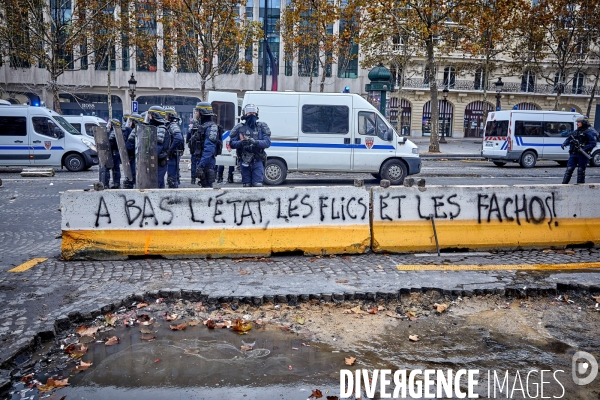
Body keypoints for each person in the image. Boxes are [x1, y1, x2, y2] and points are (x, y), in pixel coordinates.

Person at [229, 104, 271, 187]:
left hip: (257, 159)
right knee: (246, 185)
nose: (251, 115)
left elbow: (267, 142)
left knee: (258, 184)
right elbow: (232, 144)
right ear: (245, 114)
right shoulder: (239, 127)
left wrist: (256, 142)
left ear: (256, 114)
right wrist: (240, 143)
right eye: (249, 113)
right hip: (244, 160)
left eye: (253, 113)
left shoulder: (262, 127)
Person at [188, 102, 220, 187]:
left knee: (207, 187)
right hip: (203, 161)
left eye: (197, 111)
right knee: (204, 186)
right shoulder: (202, 126)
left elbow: (209, 149)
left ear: (202, 112)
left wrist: (201, 165)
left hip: (207, 162)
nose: (196, 113)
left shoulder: (211, 127)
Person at [561, 116, 597, 184]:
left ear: (583, 122)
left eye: (579, 122)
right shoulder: (576, 131)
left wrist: (583, 149)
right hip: (574, 153)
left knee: (581, 170)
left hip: (583, 154)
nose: (577, 123)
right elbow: (569, 138)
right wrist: (564, 143)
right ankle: (564, 184)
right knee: (569, 169)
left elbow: (593, 143)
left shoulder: (589, 132)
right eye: (577, 122)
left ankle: (580, 186)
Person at [145, 106, 170, 188]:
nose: (149, 117)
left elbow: (157, 148)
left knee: (156, 184)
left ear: (155, 116)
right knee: (159, 184)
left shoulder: (161, 129)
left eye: (150, 115)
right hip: (157, 161)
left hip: (159, 162)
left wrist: (147, 156)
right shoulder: (156, 128)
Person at [164, 107, 184, 188]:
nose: (164, 117)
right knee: (172, 178)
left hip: (172, 156)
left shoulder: (172, 125)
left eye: (165, 115)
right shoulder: (171, 125)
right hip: (173, 155)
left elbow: (178, 138)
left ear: (169, 116)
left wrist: (170, 151)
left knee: (172, 179)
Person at [122, 113, 143, 189]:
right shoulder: (142, 129)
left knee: (131, 177)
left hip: (133, 157)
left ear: (135, 122)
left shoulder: (134, 131)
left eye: (131, 121)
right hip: (139, 157)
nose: (129, 123)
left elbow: (129, 146)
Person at [99, 118, 122, 189]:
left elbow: (110, 144)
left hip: (112, 153)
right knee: (116, 169)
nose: (109, 125)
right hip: (116, 153)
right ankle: (116, 183)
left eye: (110, 124)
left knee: (106, 168)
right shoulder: (118, 131)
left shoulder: (113, 133)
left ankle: (105, 184)